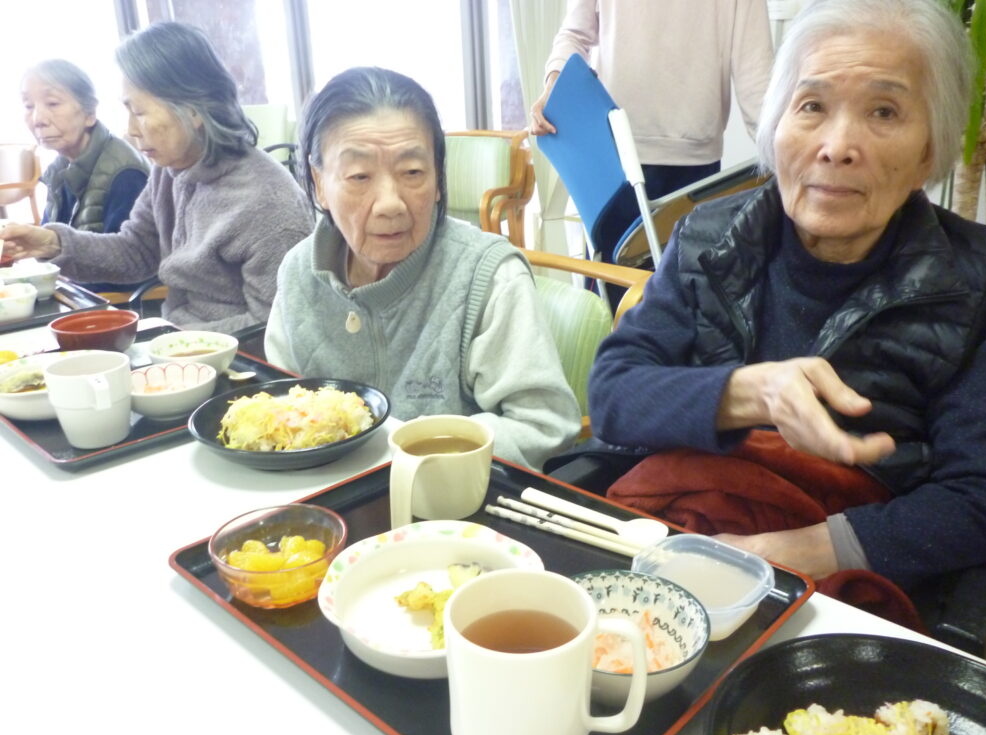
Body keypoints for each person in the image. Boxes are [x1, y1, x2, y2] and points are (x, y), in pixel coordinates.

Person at [586, 0, 986, 593]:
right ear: (776, 125)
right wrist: (753, 393)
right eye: (812, 105)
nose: (837, 146)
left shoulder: (974, 281)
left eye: (884, 111)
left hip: (842, 588)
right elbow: (613, 395)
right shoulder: (708, 240)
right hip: (673, 548)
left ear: (928, 152)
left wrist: (785, 555)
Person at [264, 67, 580, 470]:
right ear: (320, 183)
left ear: (438, 177)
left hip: (455, 500)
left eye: (412, 172)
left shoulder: (488, 277)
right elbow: (283, 407)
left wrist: (417, 452)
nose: (390, 203)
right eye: (359, 176)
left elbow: (543, 425)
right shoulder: (299, 272)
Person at [1, 23, 312, 333]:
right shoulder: (171, 169)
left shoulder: (268, 204)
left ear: (193, 110)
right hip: (177, 337)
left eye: (139, 112)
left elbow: (276, 327)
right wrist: (52, 243)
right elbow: (136, 250)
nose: (130, 130)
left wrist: (175, 342)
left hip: (230, 353)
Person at [530, 0, 774, 254]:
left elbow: (756, 72)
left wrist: (782, 156)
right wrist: (553, 88)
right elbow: (574, 33)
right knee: (615, 275)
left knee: (689, 275)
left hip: (695, 163)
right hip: (614, 154)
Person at [23, 59, 148, 234]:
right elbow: (48, 238)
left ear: (90, 113)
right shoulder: (60, 167)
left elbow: (127, 250)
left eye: (52, 103)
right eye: (29, 106)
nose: (37, 119)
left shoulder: (126, 174)